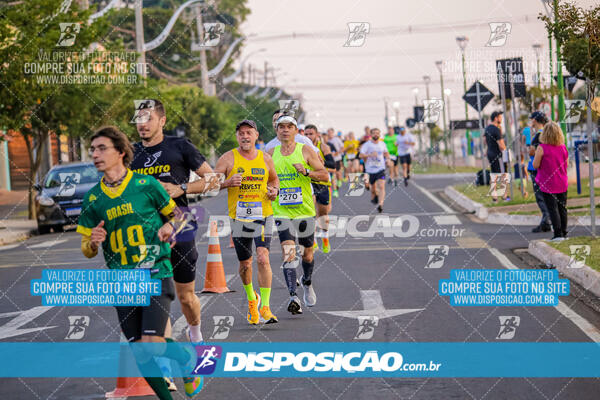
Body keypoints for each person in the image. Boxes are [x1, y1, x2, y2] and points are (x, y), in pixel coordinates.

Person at [77, 126, 203, 399]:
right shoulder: (93, 199)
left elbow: (183, 217)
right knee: (140, 350)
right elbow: (86, 249)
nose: (95, 155)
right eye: (92, 150)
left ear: (120, 152)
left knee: (151, 344)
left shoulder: (146, 185)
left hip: (155, 271)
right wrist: (93, 242)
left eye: (102, 149)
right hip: (122, 281)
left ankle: (186, 359)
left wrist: (171, 227)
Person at [130, 99, 213, 348]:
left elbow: (213, 180)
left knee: (186, 296)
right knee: (157, 296)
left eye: (148, 118)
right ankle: (164, 365)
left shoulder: (180, 146)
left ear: (162, 120)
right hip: (146, 231)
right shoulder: (130, 153)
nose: (142, 124)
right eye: (138, 119)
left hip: (181, 224)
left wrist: (181, 188)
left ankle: (195, 334)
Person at [214, 119, 279, 324]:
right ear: (237, 137)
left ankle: (266, 307)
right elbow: (210, 185)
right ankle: (252, 299)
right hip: (239, 218)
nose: (245, 136)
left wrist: (274, 191)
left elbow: (274, 180)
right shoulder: (227, 159)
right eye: (241, 133)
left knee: (262, 257)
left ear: (256, 136)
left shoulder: (265, 158)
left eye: (248, 132)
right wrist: (226, 183)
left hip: (263, 214)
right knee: (245, 263)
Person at [268, 115, 329, 314]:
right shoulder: (270, 153)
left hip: (304, 210)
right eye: (281, 127)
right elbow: (264, 180)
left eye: (289, 127)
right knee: (288, 253)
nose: (285, 130)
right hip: (281, 210)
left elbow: (324, 175)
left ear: (296, 131)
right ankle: (293, 296)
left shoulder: (306, 150)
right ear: (276, 131)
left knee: (308, 253)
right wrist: (269, 191)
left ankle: (307, 282)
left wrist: (307, 172)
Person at [532, 121, 569, 241]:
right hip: (562, 182)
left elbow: (535, 165)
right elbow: (566, 164)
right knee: (562, 208)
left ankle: (557, 234)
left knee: (552, 209)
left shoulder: (541, 148)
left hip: (548, 184)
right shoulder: (563, 147)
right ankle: (563, 232)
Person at [305, 124, 335, 253]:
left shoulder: (323, 147)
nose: (308, 136)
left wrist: (322, 164)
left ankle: (325, 237)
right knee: (311, 212)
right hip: (308, 182)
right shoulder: (302, 148)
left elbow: (333, 166)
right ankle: (313, 240)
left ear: (317, 135)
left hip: (322, 182)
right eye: (306, 134)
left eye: (311, 134)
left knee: (323, 213)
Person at [527, 111, 552, 233]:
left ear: (535, 121)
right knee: (546, 195)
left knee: (540, 197)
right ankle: (546, 221)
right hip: (545, 169)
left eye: (531, 119)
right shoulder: (547, 133)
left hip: (536, 169)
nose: (531, 121)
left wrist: (530, 150)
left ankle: (546, 221)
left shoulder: (538, 135)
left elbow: (532, 152)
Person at [360, 128, 389, 213]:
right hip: (369, 170)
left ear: (379, 135)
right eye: (374, 133)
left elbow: (386, 153)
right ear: (371, 135)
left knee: (382, 186)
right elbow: (361, 155)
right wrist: (370, 155)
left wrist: (388, 159)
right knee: (373, 189)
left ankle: (380, 205)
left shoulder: (382, 144)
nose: (376, 135)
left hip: (380, 169)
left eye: (377, 133)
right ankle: (374, 195)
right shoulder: (367, 145)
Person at [484, 111, 507, 201]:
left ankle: (494, 197)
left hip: (490, 153)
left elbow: (484, 141)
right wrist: (506, 151)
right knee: (503, 175)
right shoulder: (496, 129)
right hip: (498, 155)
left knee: (493, 175)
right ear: (496, 118)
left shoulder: (488, 128)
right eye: (500, 117)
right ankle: (504, 196)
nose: (501, 119)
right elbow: (501, 145)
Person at [327, 128, 344, 198]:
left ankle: (339, 182)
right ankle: (334, 189)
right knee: (333, 174)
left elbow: (342, 147)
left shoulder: (337, 139)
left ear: (333, 133)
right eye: (328, 132)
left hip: (337, 159)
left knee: (338, 173)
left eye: (330, 132)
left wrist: (337, 153)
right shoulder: (326, 141)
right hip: (330, 160)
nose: (329, 134)